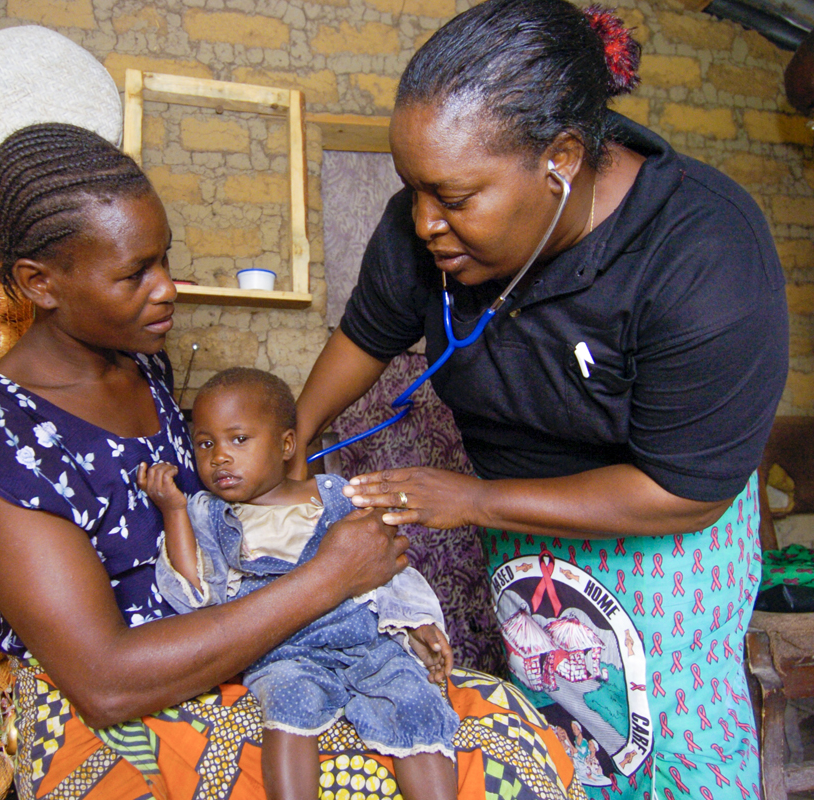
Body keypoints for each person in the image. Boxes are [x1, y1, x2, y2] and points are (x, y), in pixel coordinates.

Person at [0, 121, 587, 800]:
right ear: (40, 283)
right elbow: (106, 680)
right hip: (130, 704)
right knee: (477, 770)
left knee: (495, 726)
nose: (168, 288)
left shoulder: (138, 364)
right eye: (134, 273)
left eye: (164, 259)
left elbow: (220, 510)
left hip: (244, 637)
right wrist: (329, 578)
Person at [291, 1, 789, 799]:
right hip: (517, 527)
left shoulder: (702, 252)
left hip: (658, 528)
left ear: (560, 159)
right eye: (413, 191)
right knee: (563, 732)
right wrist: (298, 431)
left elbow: (683, 493)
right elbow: (365, 334)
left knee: (667, 744)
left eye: (454, 197)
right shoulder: (425, 230)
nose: (424, 222)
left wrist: (479, 499)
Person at [141, 367, 460, 800]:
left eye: (239, 439)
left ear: (286, 445)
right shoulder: (207, 513)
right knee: (289, 702)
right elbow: (194, 594)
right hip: (282, 649)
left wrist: (417, 625)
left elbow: (389, 570)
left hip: (365, 642)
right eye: (205, 443)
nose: (219, 456)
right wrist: (174, 512)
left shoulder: (337, 495)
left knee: (417, 702)